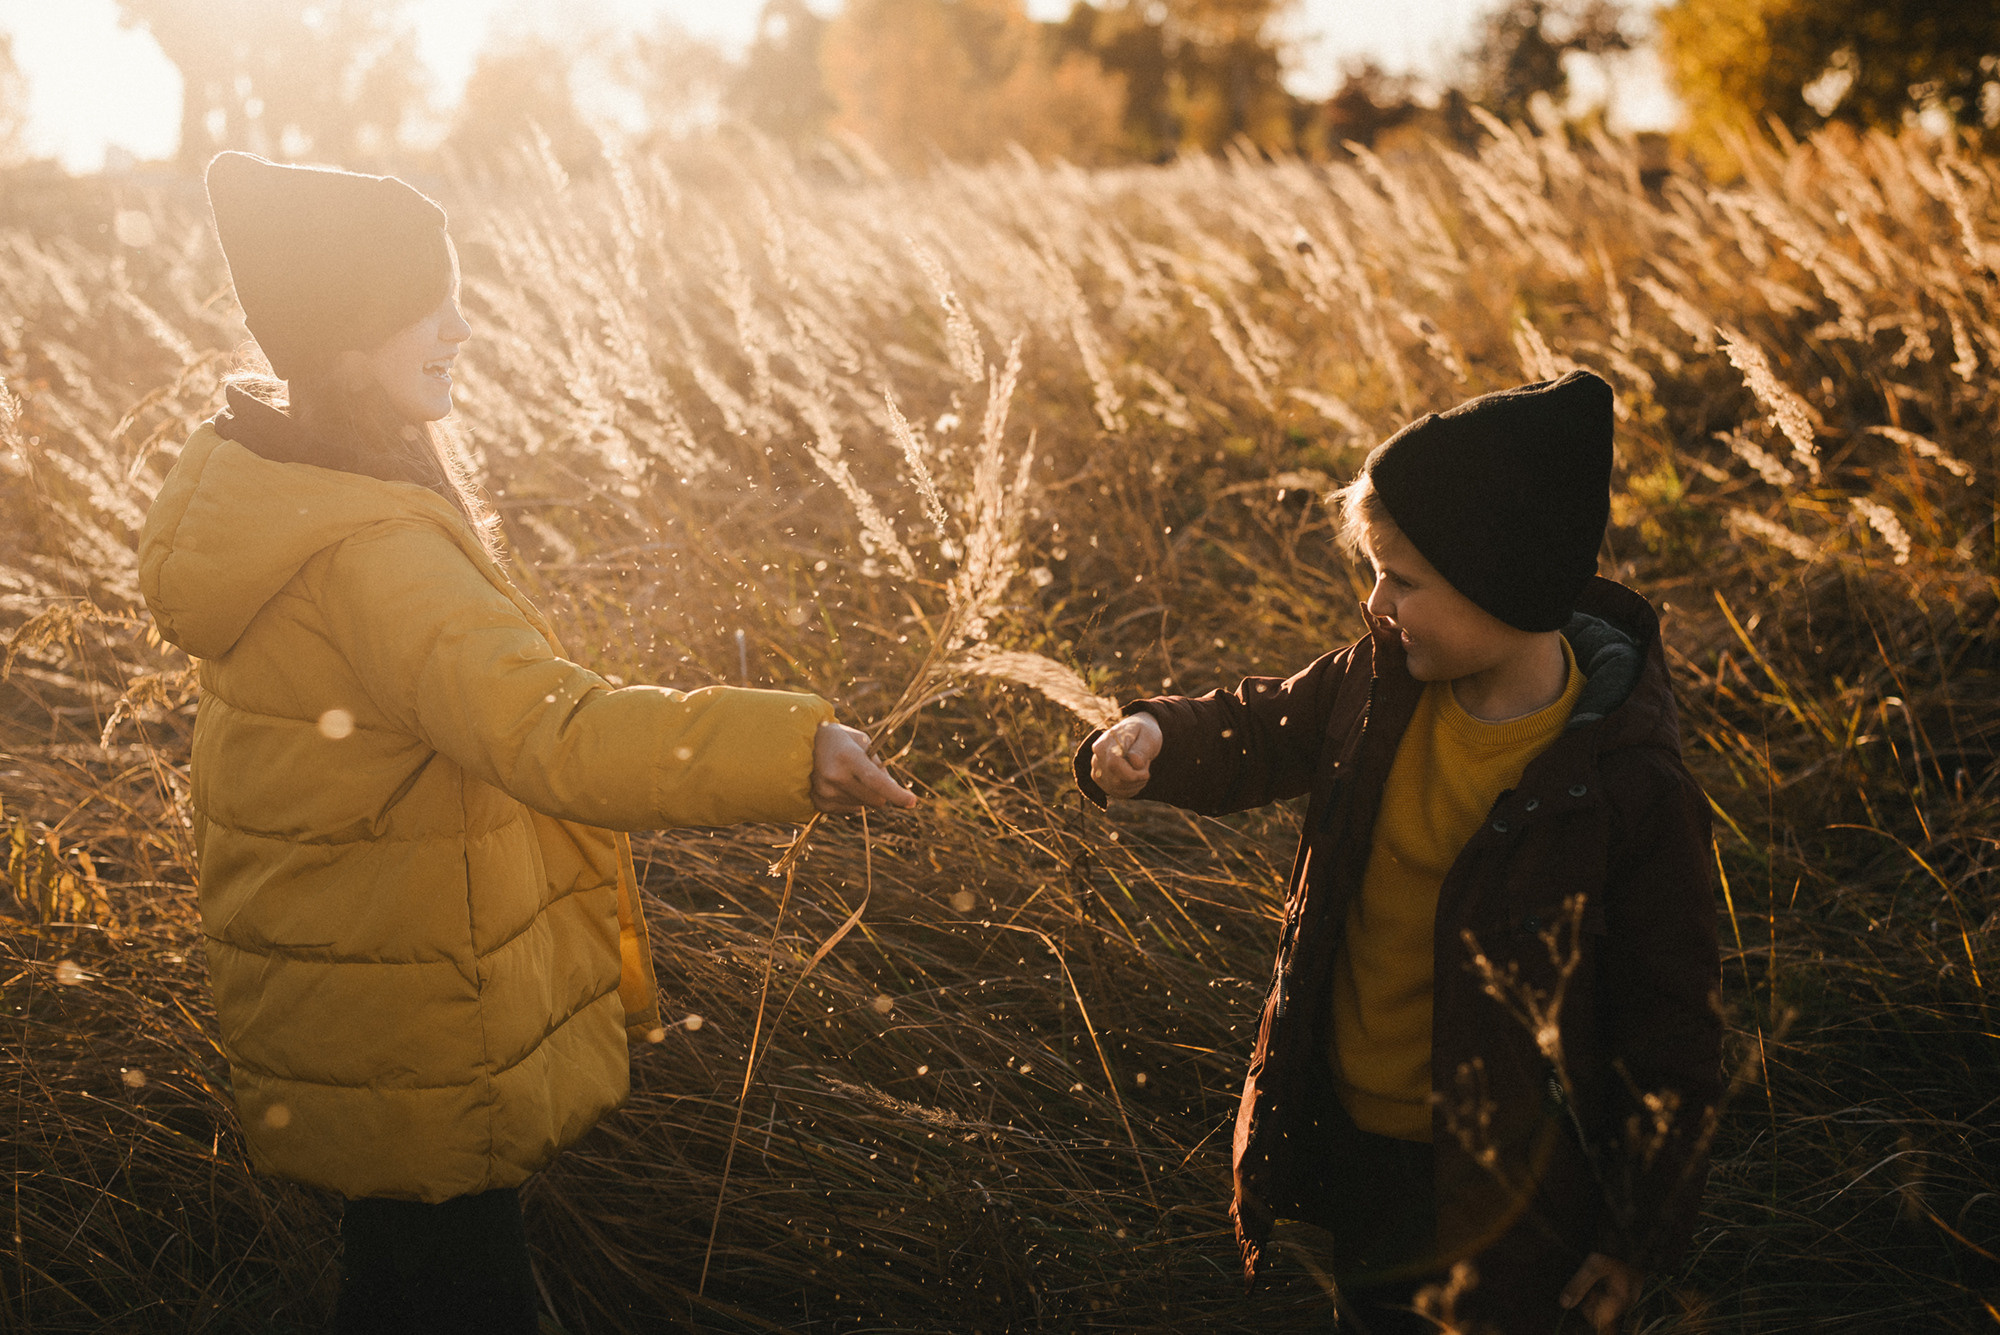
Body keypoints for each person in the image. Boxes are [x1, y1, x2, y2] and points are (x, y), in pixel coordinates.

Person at [137, 153, 915, 1334]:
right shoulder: (370, 553)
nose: (460, 322)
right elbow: (553, 732)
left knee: (397, 1289)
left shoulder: (279, 492)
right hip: (415, 1021)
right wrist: (790, 746)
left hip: (368, 1004)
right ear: (345, 334)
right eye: (422, 300)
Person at [1077, 371, 1721, 1333]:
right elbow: (1260, 728)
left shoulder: (1626, 788)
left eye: (1404, 579)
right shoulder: (1374, 687)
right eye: (1375, 571)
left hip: (1517, 1186)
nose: (1375, 603)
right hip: (1355, 1135)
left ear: (1504, 581)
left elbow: (1670, 1027)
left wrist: (1636, 1231)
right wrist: (1154, 740)